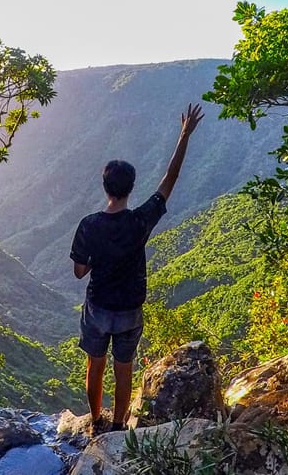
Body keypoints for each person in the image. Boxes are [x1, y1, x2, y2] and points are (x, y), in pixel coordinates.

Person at [69, 103, 204, 432]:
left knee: (95, 367)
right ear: (130, 188)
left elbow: (79, 272)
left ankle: (96, 420)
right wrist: (183, 136)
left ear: (106, 187)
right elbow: (168, 181)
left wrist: (98, 257)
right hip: (130, 310)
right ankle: (117, 425)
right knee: (124, 369)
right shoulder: (140, 221)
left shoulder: (89, 225)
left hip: (98, 307)